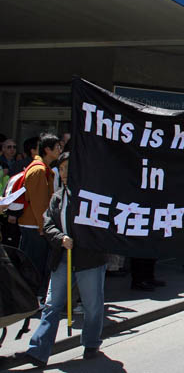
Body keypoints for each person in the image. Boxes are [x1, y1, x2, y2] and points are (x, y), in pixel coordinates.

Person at [20, 152, 106, 367]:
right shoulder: (57, 197)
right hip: (62, 259)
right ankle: (38, 351)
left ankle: (91, 343)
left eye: (69, 168)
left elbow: (102, 226)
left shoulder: (92, 196)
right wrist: (61, 238)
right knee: (52, 304)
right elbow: (47, 223)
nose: (65, 173)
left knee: (92, 306)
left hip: (89, 260)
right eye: (62, 168)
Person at [18, 133, 61, 296]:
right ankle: (31, 297)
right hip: (34, 225)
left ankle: (33, 296)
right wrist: (44, 227)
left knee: (36, 264)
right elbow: (39, 202)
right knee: (34, 265)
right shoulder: (39, 170)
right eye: (57, 147)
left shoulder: (42, 168)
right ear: (47, 150)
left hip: (36, 224)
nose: (60, 150)